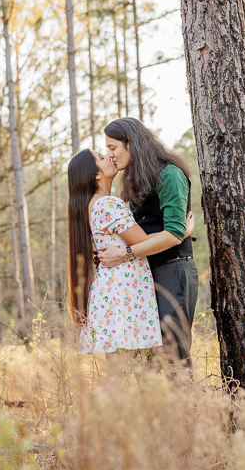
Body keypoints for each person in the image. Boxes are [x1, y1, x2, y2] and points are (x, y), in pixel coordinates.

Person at [67, 149, 194, 361]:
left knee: (121, 367)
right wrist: (183, 231)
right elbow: (145, 242)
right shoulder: (109, 204)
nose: (108, 156)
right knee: (130, 368)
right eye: (101, 157)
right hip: (124, 289)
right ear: (96, 174)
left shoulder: (92, 204)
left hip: (110, 288)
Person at [97, 118, 200, 369]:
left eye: (113, 148)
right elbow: (124, 229)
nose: (110, 155)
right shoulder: (135, 180)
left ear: (131, 144)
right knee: (146, 357)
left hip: (173, 269)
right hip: (145, 274)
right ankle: (154, 408)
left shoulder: (170, 174)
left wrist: (125, 254)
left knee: (172, 350)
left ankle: (189, 407)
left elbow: (172, 234)